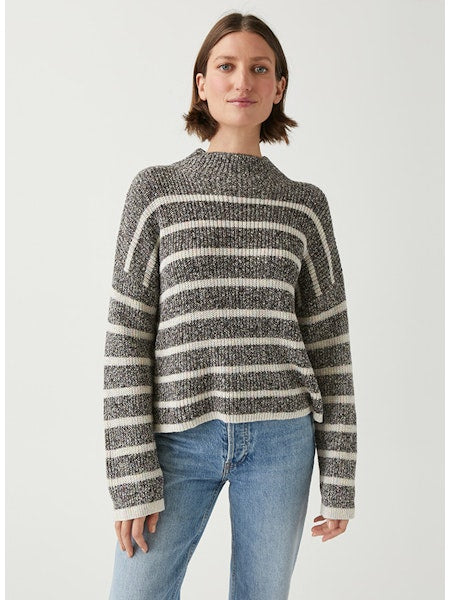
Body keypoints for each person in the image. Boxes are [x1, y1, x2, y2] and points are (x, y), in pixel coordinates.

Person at [104, 11, 357, 600]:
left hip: (281, 442)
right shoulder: (156, 192)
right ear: (202, 83)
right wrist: (131, 473)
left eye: (259, 69)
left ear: (279, 87)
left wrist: (340, 477)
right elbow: (126, 337)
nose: (242, 80)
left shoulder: (305, 206)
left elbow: (330, 346)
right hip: (175, 441)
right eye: (226, 66)